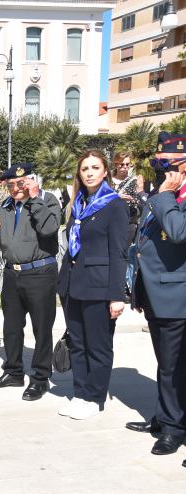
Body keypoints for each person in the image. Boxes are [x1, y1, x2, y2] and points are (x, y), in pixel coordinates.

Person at [56, 150, 128, 420]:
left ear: (105, 171)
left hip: (99, 286)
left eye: (95, 167)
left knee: (98, 345)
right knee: (78, 342)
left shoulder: (114, 205)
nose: (89, 173)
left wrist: (117, 295)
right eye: (84, 168)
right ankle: (80, 392)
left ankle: (94, 397)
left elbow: (118, 252)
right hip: (73, 284)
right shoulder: (78, 204)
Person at [127, 131, 186, 457]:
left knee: (174, 366)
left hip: (177, 296)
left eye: (171, 163)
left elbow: (178, 232)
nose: (165, 170)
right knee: (167, 363)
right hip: (156, 294)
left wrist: (164, 195)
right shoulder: (162, 194)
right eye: (162, 162)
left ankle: (174, 427)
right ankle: (166, 417)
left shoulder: (171, 194)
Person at [0, 163, 61, 401]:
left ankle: (40, 378)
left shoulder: (47, 200)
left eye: (21, 183)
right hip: (12, 273)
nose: (17, 189)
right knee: (12, 327)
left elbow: (49, 228)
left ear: (32, 181)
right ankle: (14, 371)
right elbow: (8, 245)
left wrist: (35, 198)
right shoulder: (6, 206)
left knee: (41, 328)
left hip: (39, 273)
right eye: (11, 185)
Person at [111, 151, 145, 244]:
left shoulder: (135, 180)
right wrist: (116, 197)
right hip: (110, 222)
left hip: (128, 222)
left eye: (127, 164)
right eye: (122, 164)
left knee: (125, 252)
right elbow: (101, 199)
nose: (125, 167)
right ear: (116, 164)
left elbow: (140, 201)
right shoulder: (107, 180)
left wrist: (132, 200)